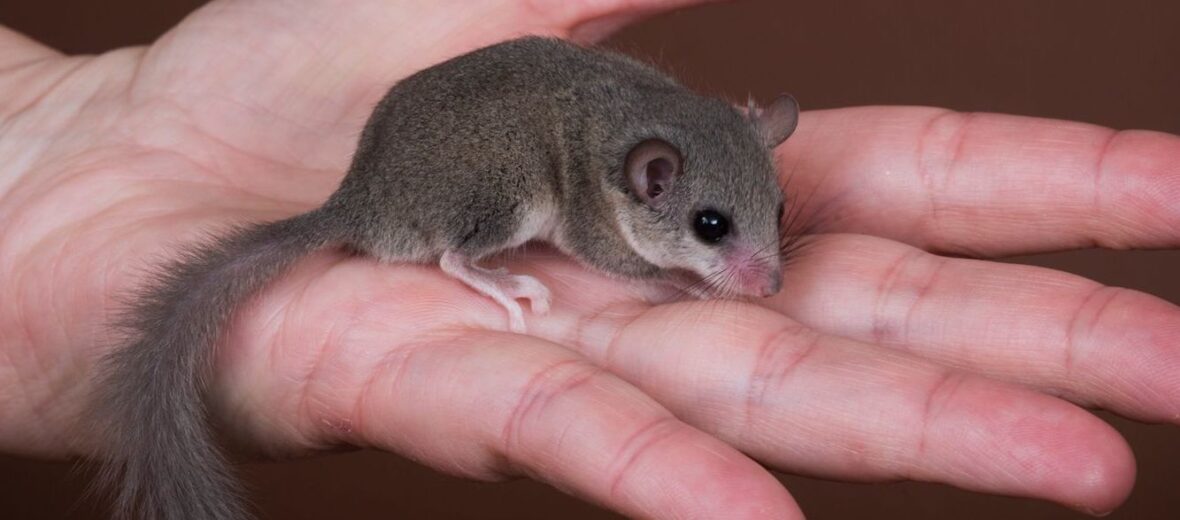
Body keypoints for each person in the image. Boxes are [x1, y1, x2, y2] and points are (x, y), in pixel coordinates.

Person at [1, 1, 1176, 518]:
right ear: (651, 186)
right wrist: (657, 269)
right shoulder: (623, 191)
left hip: (456, 139)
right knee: (510, 185)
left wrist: (710, 259)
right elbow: (597, 231)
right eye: (720, 237)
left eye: (756, 229)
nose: (753, 264)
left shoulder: (684, 145)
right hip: (428, 196)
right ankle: (462, 254)